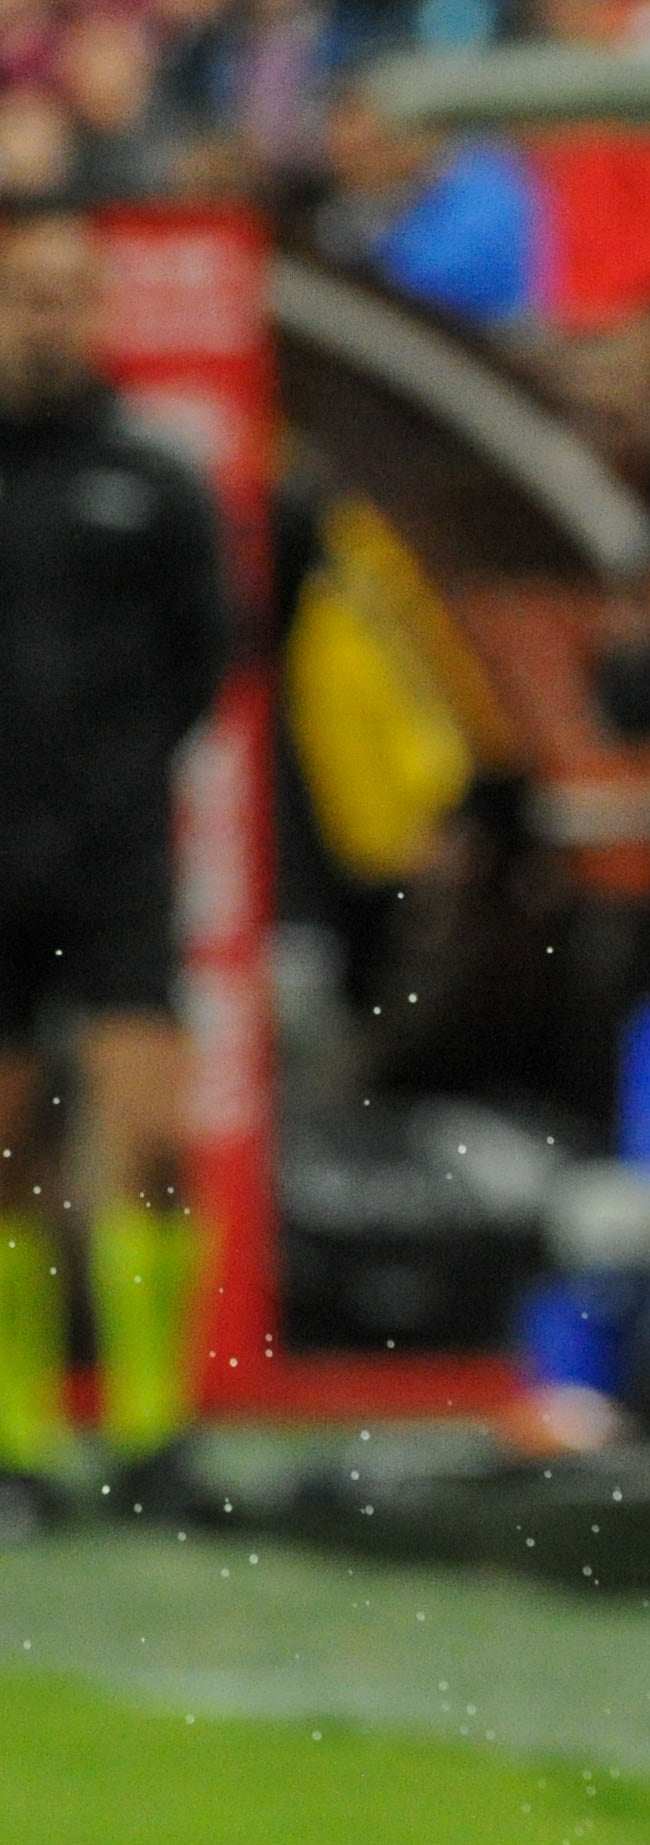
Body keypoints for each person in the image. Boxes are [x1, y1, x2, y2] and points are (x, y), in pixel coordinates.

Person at [0, 198, 229, 1530]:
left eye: (67, 295)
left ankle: (157, 1433)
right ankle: (20, 1440)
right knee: (8, 1139)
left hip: (117, 850)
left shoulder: (153, 477)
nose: (48, 319)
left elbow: (206, 659)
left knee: (149, 1130)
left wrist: (117, 789)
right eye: (26, 294)